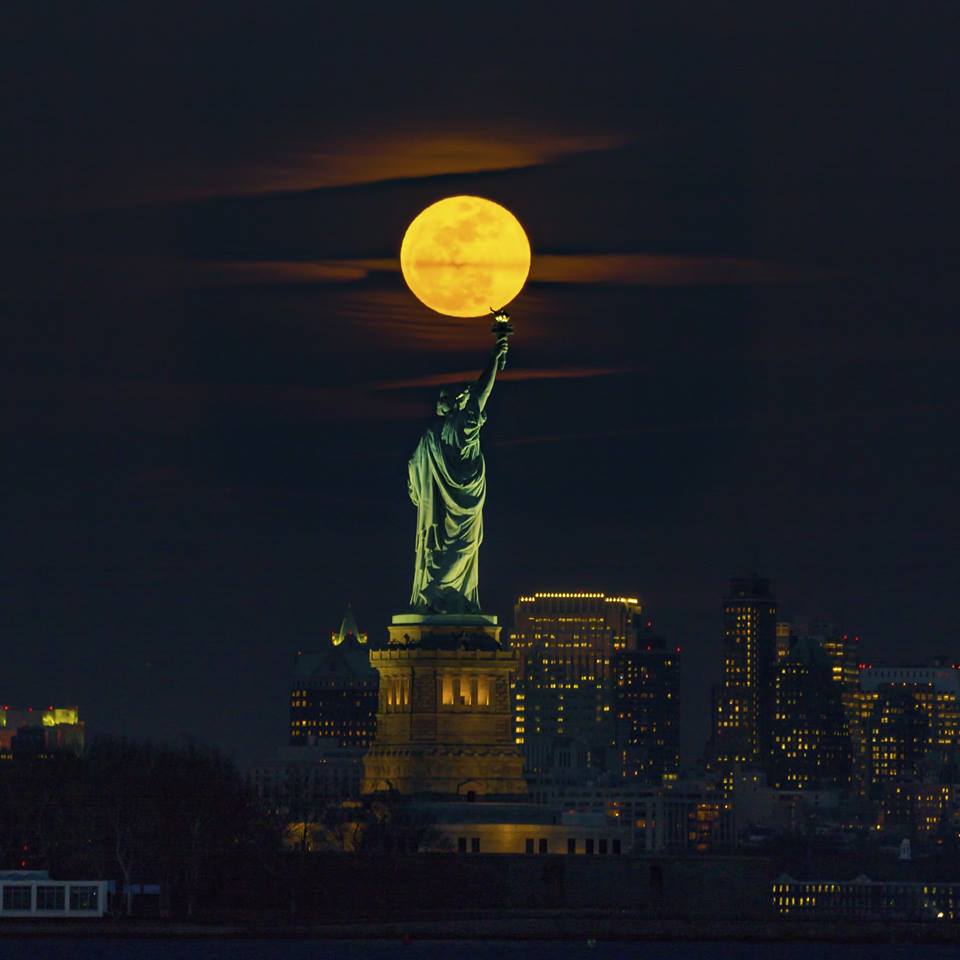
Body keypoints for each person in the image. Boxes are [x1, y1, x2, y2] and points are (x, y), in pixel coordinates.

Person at [407, 336, 509, 613]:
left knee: (444, 549)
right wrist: (495, 359)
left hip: (440, 508)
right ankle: (441, 593)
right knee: (463, 547)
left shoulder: (434, 433)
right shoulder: (461, 425)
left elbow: (413, 472)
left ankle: (438, 593)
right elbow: (482, 393)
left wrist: (495, 358)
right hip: (464, 500)